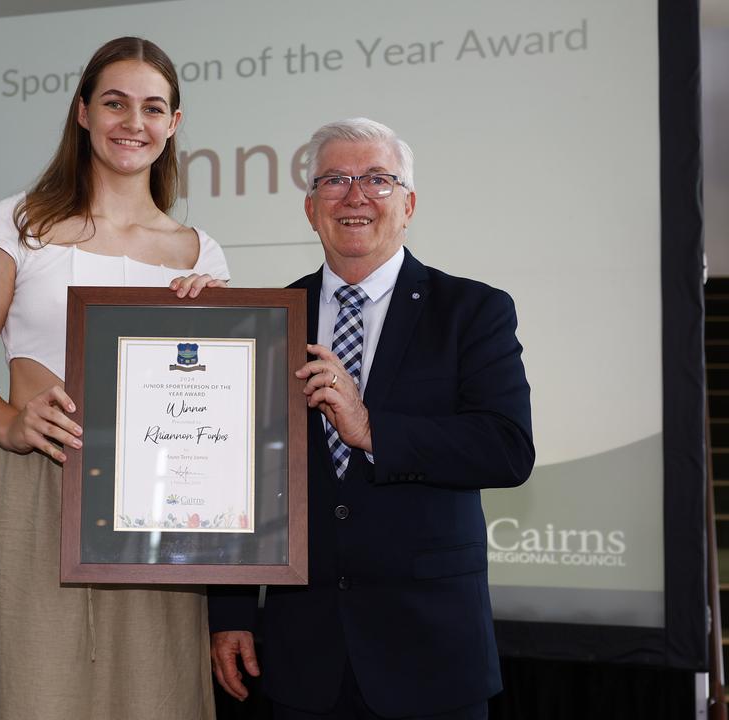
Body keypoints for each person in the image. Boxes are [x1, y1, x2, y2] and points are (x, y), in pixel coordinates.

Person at [0, 37, 229, 719]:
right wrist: (10, 424)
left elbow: (215, 401)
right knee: (32, 691)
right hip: (39, 484)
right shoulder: (19, 222)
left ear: (174, 124)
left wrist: (218, 325)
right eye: (115, 103)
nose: (134, 121)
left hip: (159, 506)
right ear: (83, 113)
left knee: (152, 693)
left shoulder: (199, 251)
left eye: (153, 107)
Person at [208, 118, 534, 719]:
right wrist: (230, 613)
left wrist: (373, 428)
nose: (356, 196)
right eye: (335, 180)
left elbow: (507, 449)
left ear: (408, 204)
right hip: (302, 654)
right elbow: (240, 476)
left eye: (378, 180)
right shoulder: (269, 318)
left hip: (431, 656)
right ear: (310, 209)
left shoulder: (473, 310)